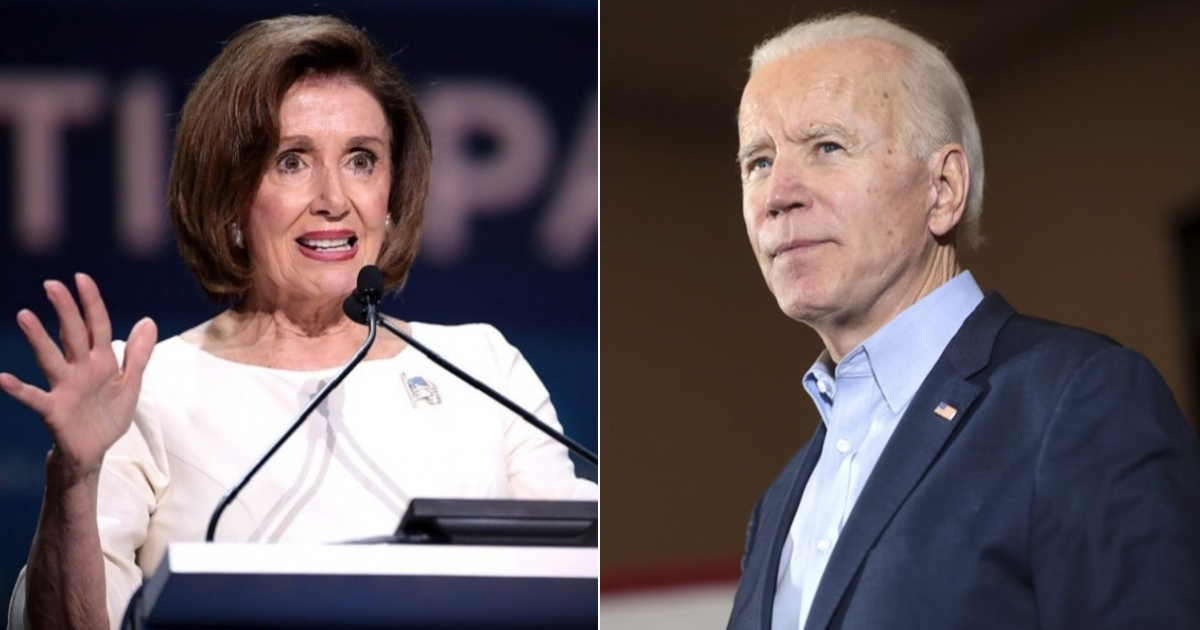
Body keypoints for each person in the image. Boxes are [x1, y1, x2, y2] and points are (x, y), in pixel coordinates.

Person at [2, 15, 596, 630]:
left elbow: (582, 582)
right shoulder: (146, 388)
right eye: (292, 161)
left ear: (392, 195)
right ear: (229, 194)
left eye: (362, 160)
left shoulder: (483, 369)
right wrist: (75, 477)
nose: (334, 198)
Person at [728, 13, 1200, 630]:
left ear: (944, 188)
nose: (776, 193)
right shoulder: (779, 503)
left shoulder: (1081, 399)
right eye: (758, 161)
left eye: (827, 147)